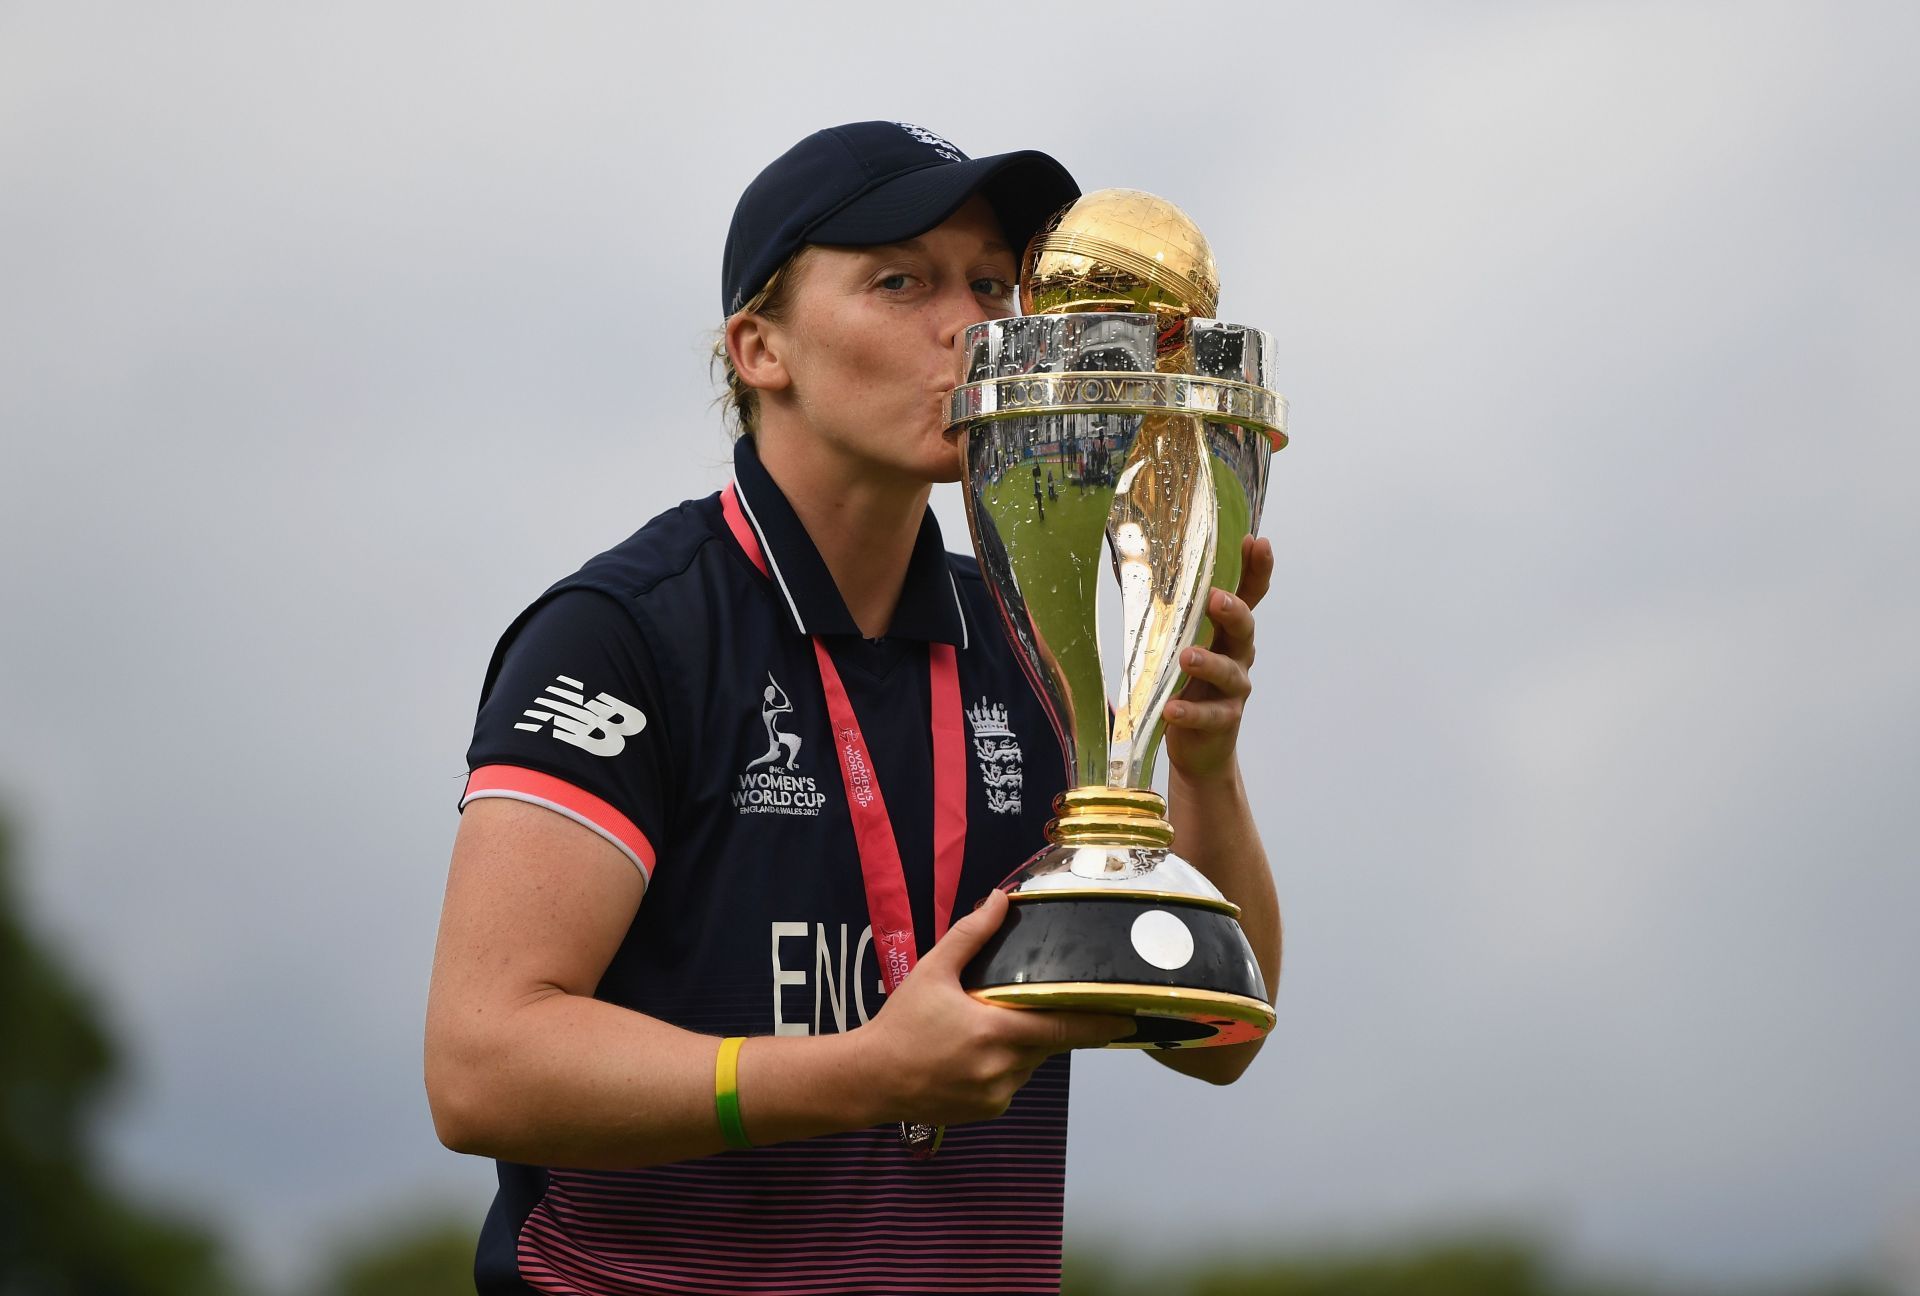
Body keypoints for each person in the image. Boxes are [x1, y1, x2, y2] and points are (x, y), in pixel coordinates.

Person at [425, 120, 1282, 1296]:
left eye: (991, 283)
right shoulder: (627, 635)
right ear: (760, 347)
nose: (970, 324)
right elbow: (482, 1067)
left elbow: (1223, 1038)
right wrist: (868, 1071)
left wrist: (1200, 762)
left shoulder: (1038, 629)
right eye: (901, 281)